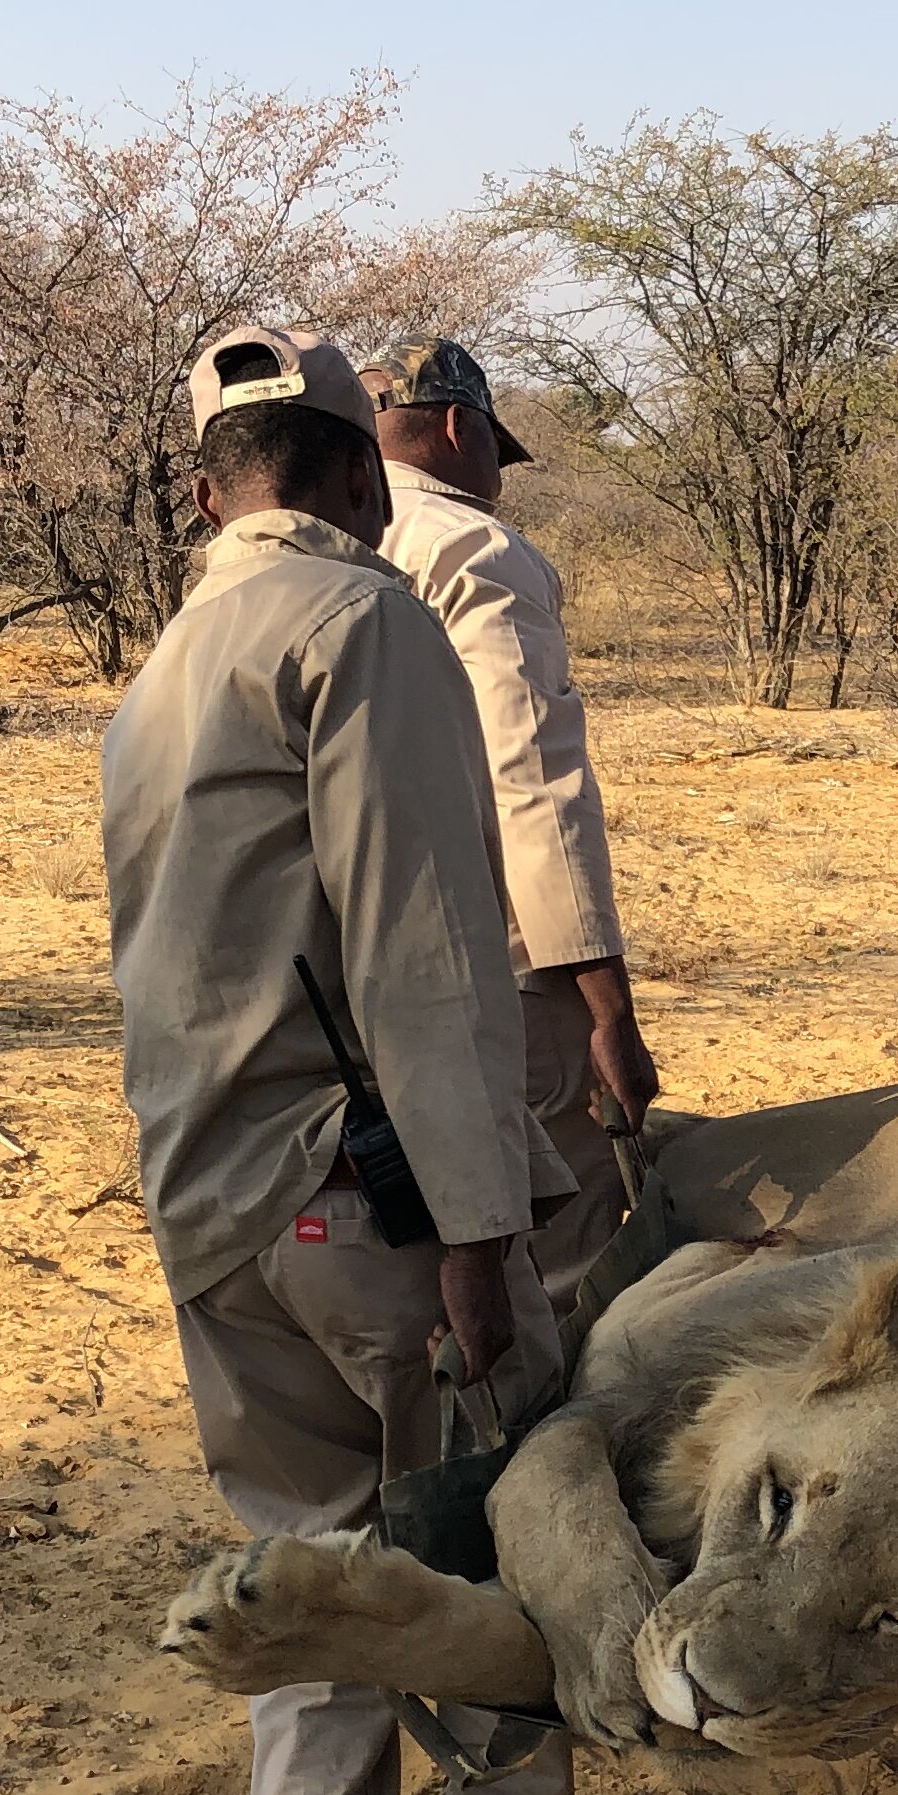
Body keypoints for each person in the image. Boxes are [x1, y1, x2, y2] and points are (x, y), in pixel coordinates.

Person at [102, 322, 619, 1795]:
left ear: (201, 483)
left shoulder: (164, 664)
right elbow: (422, 948)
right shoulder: (366, 622)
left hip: (209, 1197)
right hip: (367, 1201)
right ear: (349, 467)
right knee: (474, 1550)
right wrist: (485, 1231)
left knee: (309, 1562)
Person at [364, 336, 659, 1315]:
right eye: (498, 448)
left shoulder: (330, 542)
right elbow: (531, 775)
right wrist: (607, 1006)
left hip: (356, 966)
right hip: (497, 965)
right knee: (549, 1242)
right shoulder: (473, 550)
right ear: (458, 428)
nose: (499, 479)